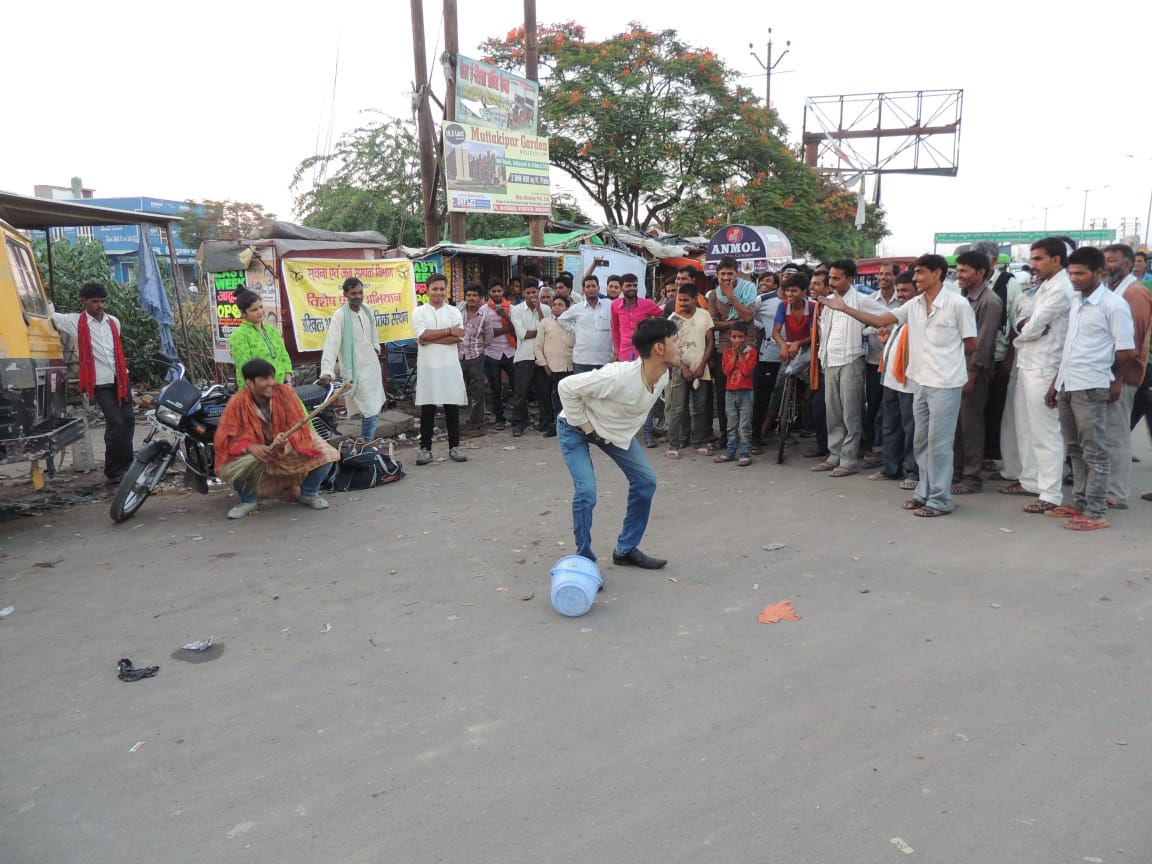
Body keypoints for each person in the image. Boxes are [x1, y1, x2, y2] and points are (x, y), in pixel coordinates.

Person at [821, 254, 977, 517]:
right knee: (921, 441)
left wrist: (945, 360)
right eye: (914, 273)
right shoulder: (914, 305)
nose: (915, 278)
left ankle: (940, 500)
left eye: (920, 273)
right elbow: (880, 320)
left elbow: (971, 344)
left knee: (939, 444)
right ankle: (924, 492)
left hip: (945, 384)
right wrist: (844, 308)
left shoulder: (957, 304)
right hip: (920, 382)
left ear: (937, 273)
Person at [557, 317, 681, 570]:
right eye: (676, 341)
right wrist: (588, 427)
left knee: (645, 481)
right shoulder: (618, 376)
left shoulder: (664, 376)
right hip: (576, 426)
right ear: (659, 348)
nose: (681, 346)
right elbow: (566, 386)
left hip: (612, 434)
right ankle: (584, 560)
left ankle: (625, 550)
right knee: (587, 493)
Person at [1044, 246, 1135, 531]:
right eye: (1071, 273)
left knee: (1095, 450)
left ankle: (1095, 511)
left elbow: (1126, 351)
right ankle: (1079, 501)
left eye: (1081, 273)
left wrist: (1114, 380)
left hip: (1092, 385)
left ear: (1099, 272)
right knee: (1073, 448)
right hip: (1068, 384)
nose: (1074, 278)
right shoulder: (1077, 302)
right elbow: (1071, 346)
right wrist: (1055, 384)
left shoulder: (1113, 305)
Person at [1001, 238, 1076, 514]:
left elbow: (1033, 327)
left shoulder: (1062, 289)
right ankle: (1030, 480)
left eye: (1038, 259)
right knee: (1025, 427)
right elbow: (1023, 320)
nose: (1033, 265)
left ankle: (1051, 493)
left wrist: (1025, 330)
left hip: (1046, 367)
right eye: (1032, 259)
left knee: (1046, 432)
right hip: (1028, 363)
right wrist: (1025, 329)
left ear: (1056, 260)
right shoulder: (1044, 285)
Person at [215, 358, 339, 519]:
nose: (270, 383)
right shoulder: (237, 403)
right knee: (231, 459)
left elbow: (299, 426)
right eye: (264, 379)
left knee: (328, 454)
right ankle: (248, 501)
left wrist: (285, 440)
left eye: (271, 377)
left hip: (286, 443)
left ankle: (309, 493)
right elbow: (226, 437)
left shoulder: (286, 393)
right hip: (256, 450)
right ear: (250, 383)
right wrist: (251, 447)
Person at [52, 281, 135, 482]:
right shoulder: (74, 322)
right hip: (99, 383)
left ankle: (129, 467)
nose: (100, 306)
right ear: (84, 302)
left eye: (103, 302)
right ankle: (114, 471)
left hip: (120, 379)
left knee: (129, 421)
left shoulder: (113, 322)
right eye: (95, 302)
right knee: (115, 423)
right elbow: (49, 315)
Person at [1102, 244, 1152, 509]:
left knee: (1117, 434)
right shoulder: (1112, 292)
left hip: (1122, 376)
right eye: (1105, 260)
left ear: (1129, 265)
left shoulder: (1135, 293)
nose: (1107, 265)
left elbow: (1132, 342)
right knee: (1106, 434)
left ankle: (1116, 493)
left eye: (1112, 260)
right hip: (1107, 374)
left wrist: (1119, 379)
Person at [951, 251, 1003, 494]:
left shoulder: (989, 302)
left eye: (964, 271)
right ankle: (957, 470)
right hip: (956, 368)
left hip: (974, 371)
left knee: (971, 425)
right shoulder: (963, 297)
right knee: (957, 424)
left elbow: (983, 343)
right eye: (958, 270)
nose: (959, 275)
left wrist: (971, 375)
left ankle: (972, 476)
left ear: (981, 273)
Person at [813, 259, 868, 477]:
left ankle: (848, 459)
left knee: (851, 414)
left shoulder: (861, 300)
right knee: (833, 413)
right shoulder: (826, 302)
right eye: (831, 278)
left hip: (851, 360)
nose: (832, 282)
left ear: (850, 279)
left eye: (837, 278)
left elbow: (885, 319)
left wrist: (867, 333)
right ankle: (834, 455)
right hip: (830, 361)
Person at [412, 273, 469, 465]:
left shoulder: (454, 312)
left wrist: (429, 339)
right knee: (427, 408)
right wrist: (447, 331)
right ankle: (425, 450)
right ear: (427, 290)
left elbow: (458, 336)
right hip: (428, 368)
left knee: (451, 407)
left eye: (442, 289)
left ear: (446, 290)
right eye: (434, 289)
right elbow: (422, 334)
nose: (438, 292)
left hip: (449, 366)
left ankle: (455, 446)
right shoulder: (419, 312)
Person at [319, 277, 385, 440]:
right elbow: (332, 343)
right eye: (354, 293)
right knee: (370, 409)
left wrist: (376, 348)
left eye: (360, 292)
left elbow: (374, 333)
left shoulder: (367, 310)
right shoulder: (340, 315)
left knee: (374, 408)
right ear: (346, 295)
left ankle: (366, 444)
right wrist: (327, 370)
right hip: (355, 370)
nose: (358, 296)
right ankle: (367, 444)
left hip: (372, 367)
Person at [870, 272, 919, 488]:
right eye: (898, 291)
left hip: (910, 383)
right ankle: (891, 469)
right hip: (890, 380)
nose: (900, 295)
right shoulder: (899, 317)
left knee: (911, 429)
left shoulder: (918, 316)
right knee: (890, 426)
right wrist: (885, 342)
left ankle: (913, 472)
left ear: (916, 292)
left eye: (905, 290)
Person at [708, 256, 758, 451]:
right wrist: (737, 324)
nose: (726, 277)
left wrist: (731, 296)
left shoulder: (748, 289)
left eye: (730, 273)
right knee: (723, 394)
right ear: (717, 275)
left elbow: (748, 316)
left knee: (747, 392)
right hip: (724, 348)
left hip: (748, 344)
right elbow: (713, 324)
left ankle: (747, 439)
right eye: (723, 274)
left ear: (736, 273)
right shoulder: (713, 295)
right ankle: (726, 438)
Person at [611, 273, 664, 446]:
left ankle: (648, 434)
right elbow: (615, 330)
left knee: (646, 394)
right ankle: (628, 434)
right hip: (625, 355)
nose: (632, 288)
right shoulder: (615, 306)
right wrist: (618, 352)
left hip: (644, 355)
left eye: (634, 285)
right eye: (628, 285)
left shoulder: (647, 305)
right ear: (621, 287)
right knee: (627, 395)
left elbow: (663, 317)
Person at [760, 272, 814, 440]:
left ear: (804, 292)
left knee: (813, 388)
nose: (789, 295)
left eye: (794, 291)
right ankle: (763, 431)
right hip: (789, 349)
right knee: (778, 389)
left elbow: (814, 335)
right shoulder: (783, 306)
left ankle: (808, 421)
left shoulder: (813, 307)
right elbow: (776, 332)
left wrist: (798, 343)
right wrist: (784, 344)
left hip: (808, 349)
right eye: (788, 291)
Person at [665, 284, 715, 458]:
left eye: (686, 300)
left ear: (695, 299)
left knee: (699, 409)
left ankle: (699, 442)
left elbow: (710, 343)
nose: (683, 303)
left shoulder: (705, 315)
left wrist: (702, 366)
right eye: (680, 300)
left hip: (701, 369)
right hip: (680, 369)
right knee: (677, 408)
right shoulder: (673, 319)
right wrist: (683, 367)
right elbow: (670, 348)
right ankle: (673, 445)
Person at [862, 263, 901, 457]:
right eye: (880, 274)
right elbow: (863, 328)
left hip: (896, 362)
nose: (882, 277)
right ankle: (873, 446)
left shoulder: (903, 300)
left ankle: (889, 448)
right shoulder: (869, 300)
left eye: (887, 274)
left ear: (896, 276)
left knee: (891, 407)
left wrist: (891, 329)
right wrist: (877, 328)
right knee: (873, 404)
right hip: (874, 361)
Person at [228, 288, 292, 388]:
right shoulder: (239, 336)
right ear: (243, 312)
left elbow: (284, 356)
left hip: (282, 388)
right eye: (254, 310)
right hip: (257, 393)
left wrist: (288, 380)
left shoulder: (272, 331)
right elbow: (246, 369)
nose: (260, 312)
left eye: (261, 307)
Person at [752, 271, 785, 452]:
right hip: (769, 353)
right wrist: (762, 327)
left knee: (783, 394)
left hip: (795, 353)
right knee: (763, 396)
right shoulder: (763, 300)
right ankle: (755, 436)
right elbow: (751, 316)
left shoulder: (802, 301)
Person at [716, 321, 757, 466]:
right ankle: (730, 451)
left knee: (744, 425)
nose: (737, 340)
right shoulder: (727, 353)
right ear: (730, 337)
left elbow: (746, 372)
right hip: (730, 393)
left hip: (746, 393)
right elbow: (726, 371)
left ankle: (745, 453)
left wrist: (740, 354)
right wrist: (734, 355)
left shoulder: (751, 353)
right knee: (731, 424)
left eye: (740, 337)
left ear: (745, 337)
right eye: (734, 337)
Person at [535, 293, 575, 437]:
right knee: (554, 398)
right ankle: (557, 426)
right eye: (555, 305)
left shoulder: (572, 324)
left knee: (569, 399)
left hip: (569, 366)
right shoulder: (545, 322)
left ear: (567, 308)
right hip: (551, 368)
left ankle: (571, 427)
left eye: (560, 305)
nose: (556, 307)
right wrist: (544, 364)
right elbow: (538, 346)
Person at [510, 278, 545, 436]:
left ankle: (545, 422)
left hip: (542, 356)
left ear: (538, 292)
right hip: (524, 355)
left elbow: (548, 329)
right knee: (521, 392)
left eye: (534, 292)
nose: (531, 295)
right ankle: (519, 423)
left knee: (543, 391)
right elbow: (522, 334)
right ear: (523, 293)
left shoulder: (544, 308)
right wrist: (540, 332)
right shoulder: (516, 310)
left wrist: (539, 310)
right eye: (528, 292)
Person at [558, 274, 614, 372]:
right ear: (583, 290)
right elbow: (562, 319)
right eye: (588, 286)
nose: (591, 289)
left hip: (605, 360)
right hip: (582, 360)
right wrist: (576, 328)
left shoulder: (609, 304)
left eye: (593, 286)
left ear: (598, 288)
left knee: (603, 388)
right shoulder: (577, 308)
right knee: (581, 387)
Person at [482, 278, 516, 430]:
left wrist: (506, 315)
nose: (496, 294)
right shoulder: (483, 310)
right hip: (492, 353)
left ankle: (518, 418)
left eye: (499, 291)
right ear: (489, 292)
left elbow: (516, 330)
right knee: (496, 389)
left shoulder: (511, 308)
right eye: (493, 291)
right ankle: (499, 419)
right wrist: (505, 329)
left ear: (503, 292)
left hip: (510, 352)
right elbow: (487, 333)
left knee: (517, 387)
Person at [458, 282, 493, 431]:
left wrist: (478, 350)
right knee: (457, 390)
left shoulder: (484, 317)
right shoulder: (457, 312)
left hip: (476, 357)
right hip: (457, 357)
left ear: (480, 298)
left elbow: (488, 338)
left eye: (474, 295)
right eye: (468, 295)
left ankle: (476, 422)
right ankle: (456, 422)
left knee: (477, 391)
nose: (471, 298)